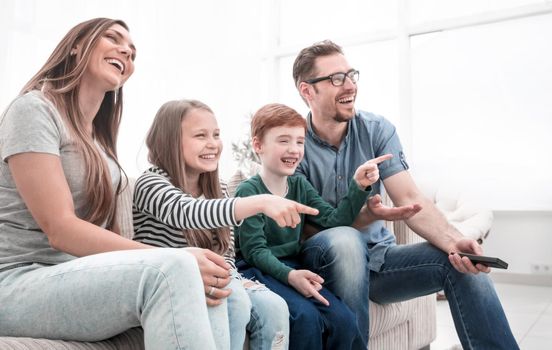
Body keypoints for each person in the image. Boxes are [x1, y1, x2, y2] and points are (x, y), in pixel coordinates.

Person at [0, 18, 229, 350]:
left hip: (71, 276)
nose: (127, 50)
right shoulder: (34, 109)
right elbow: (60, 228)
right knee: (177, 267)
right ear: (76, 45)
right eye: (113, 37)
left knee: (210, 284)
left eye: (133, 51)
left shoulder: (98, 142)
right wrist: (170, 259)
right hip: (17, 282)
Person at [292, 39, 519, 349]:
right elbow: (301, 231)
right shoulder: (292, 145)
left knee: (461, 262)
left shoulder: (376, 129)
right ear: (307, 91)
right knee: (345, 241)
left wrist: (455, 242)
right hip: (324, 264)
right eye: (336, 79)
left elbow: (412, 198)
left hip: (379, 261)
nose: (349, 86)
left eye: (351, 75)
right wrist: (363, 218)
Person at [133, 99, 310, 350]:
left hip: (220, 277)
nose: (213, 144)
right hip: (172, 283)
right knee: (235, 301)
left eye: (216, 135)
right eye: (200, 135)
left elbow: (225, 252)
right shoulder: (150, 183)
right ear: (170, 140)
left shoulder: (219, 188)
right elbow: (186, 212)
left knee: (275, 306)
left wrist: (236, 278)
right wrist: (260, 202)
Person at [234, 103, 390, 350]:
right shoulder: (248, 192)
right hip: (256, 269)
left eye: (299, 141)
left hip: (293, 266)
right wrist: (290, 276)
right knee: (305, 319)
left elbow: (334, 221)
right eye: (283, 141)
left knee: (345, 320)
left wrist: (358, 186)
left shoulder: (299, 186)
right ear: (258, 145)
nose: (294, 149)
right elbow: (254, 252)